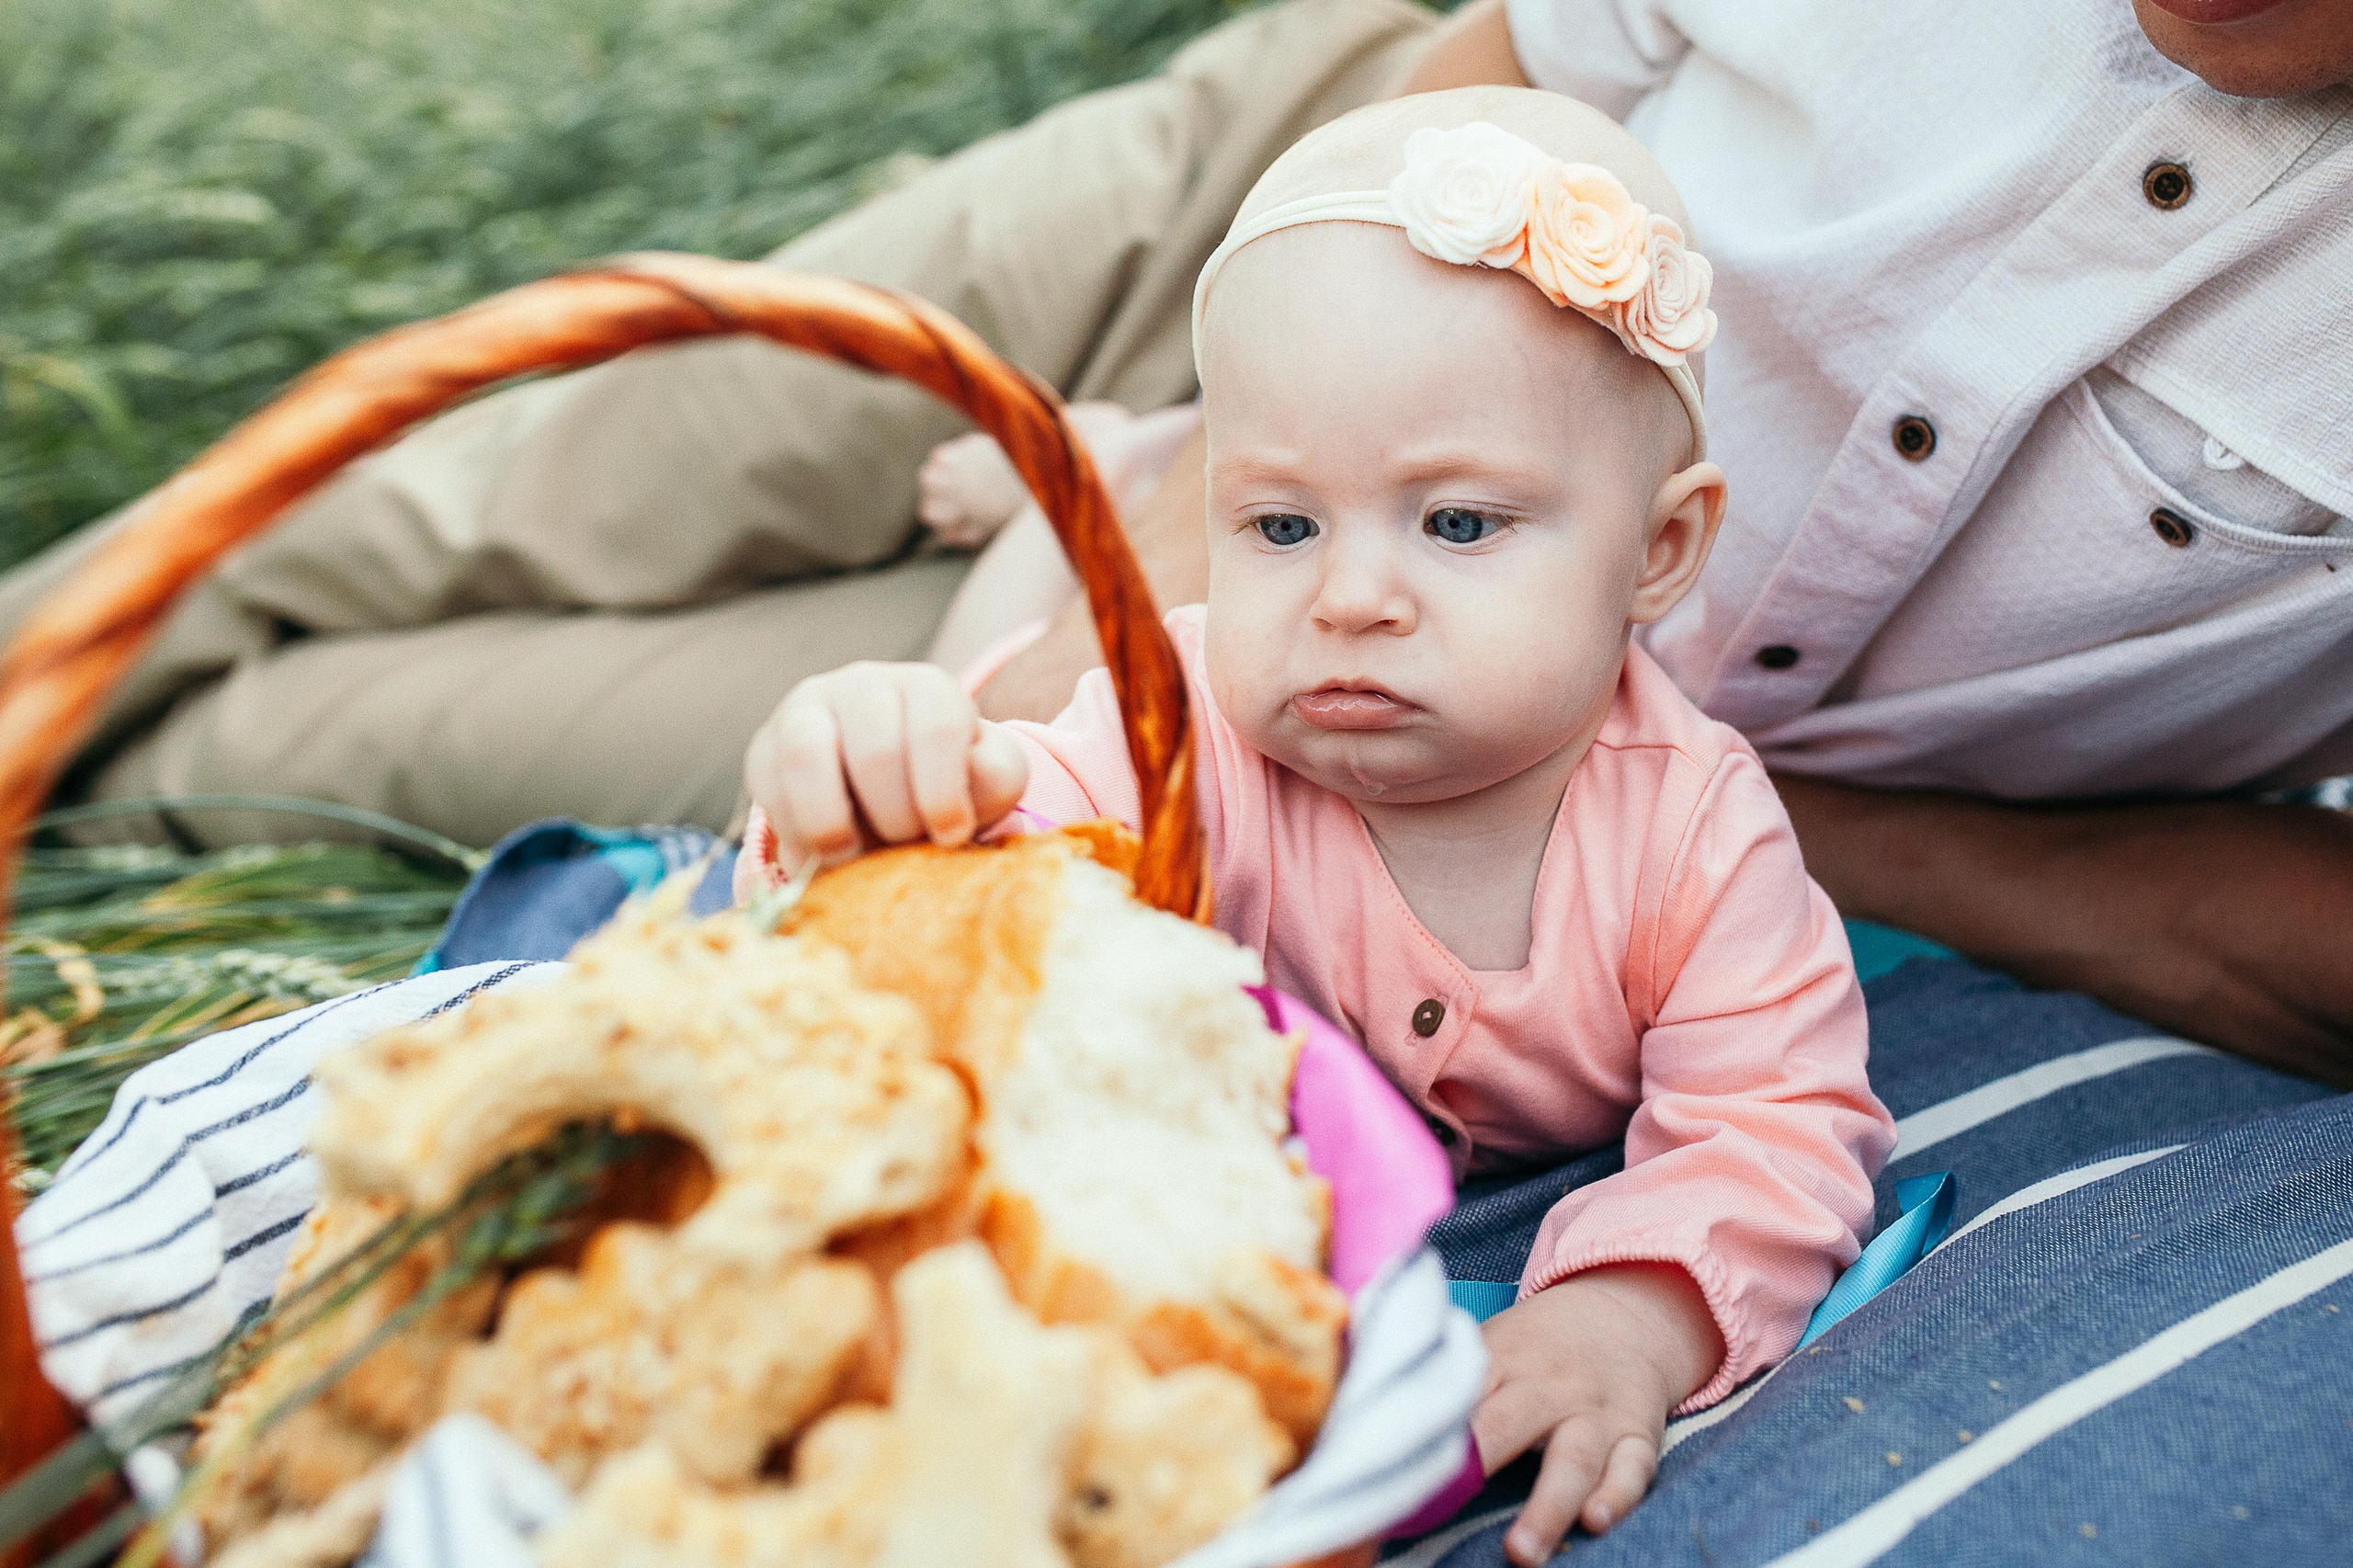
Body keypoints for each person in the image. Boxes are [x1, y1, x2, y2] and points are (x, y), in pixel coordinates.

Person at [1, 0, 2347, 1069]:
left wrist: (1717, 805)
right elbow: (1519, 60)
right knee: (506, 468)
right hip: (1273, 222)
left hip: (1316, 741)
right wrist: (1174, 445)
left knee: (356, 722)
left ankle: (94, 772)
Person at [736, 93, 1899, 1568]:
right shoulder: (1184, 732)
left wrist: (1636, 1307)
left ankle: (1113, 465)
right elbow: (972, 871)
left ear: (1658, 549)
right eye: (1280, 526)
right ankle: (1080, 487)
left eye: (1459, 524)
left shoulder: (1695, 833)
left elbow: (1780, 1120)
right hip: (1038, 646)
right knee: (1008, 629)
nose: (1351, 598)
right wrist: (873, 771)